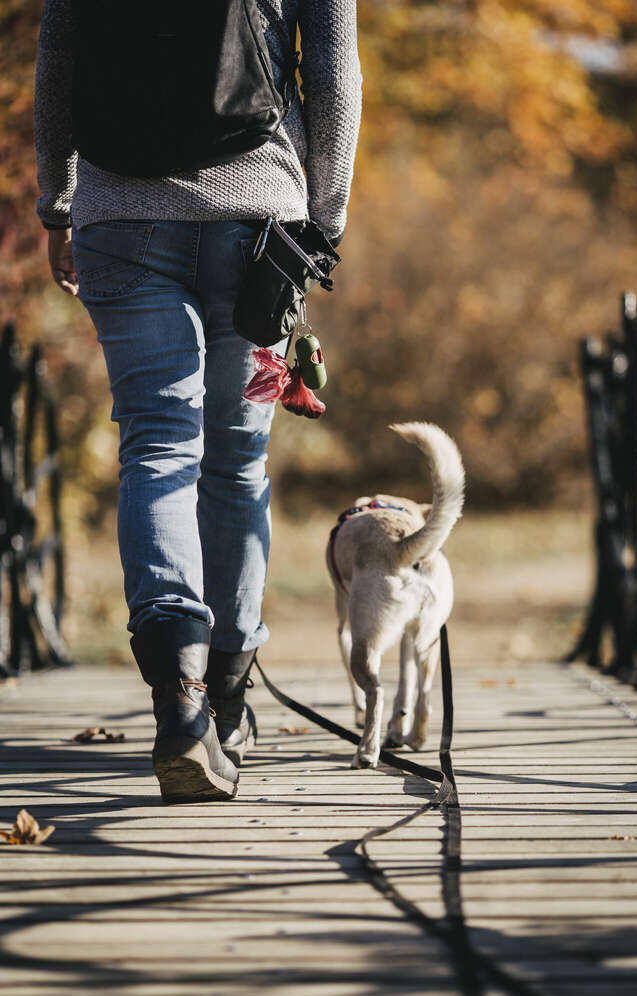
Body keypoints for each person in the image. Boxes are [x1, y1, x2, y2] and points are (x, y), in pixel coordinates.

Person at [34, 0, 362, 803]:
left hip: (119, 216)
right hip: (257, 225)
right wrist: (324, 219)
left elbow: (57, 68)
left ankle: (178, 702)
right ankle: (227, 693)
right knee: (236, 462)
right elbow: (333, 73)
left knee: (156, 444)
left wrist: (59, 201)